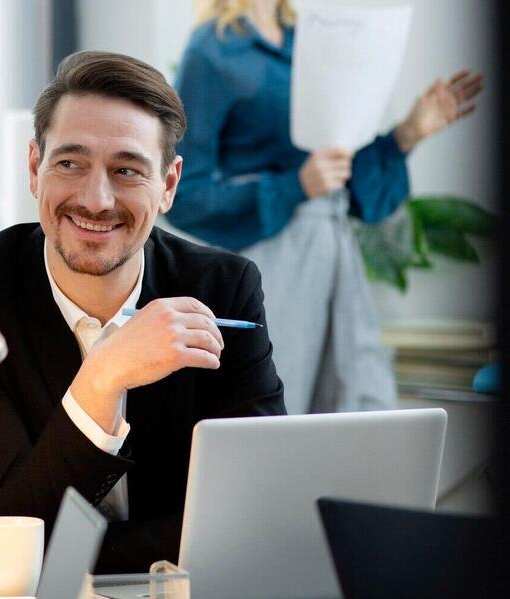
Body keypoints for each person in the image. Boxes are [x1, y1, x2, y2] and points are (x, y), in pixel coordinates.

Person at [0, 51, 285, 578]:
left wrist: (66, 557)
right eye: (70, 163)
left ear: (168, 185)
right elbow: (8, 520)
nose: (95, 199)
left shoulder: (225, 290)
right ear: (33, 168)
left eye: (127, 170)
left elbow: (251, 513)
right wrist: (106, 373)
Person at [165, 0, 484, 415]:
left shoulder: (312, 41)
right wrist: (294, 187)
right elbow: (184, 193)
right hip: (269, 265)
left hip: (334, 255)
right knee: (275, 409)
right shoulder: (211, 50)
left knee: (355, 409)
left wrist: (409, 132)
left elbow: (351, 187)